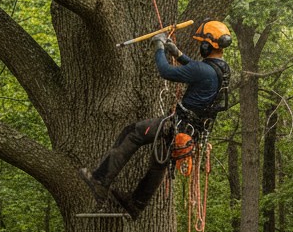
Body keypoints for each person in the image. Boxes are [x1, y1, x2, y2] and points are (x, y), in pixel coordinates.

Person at [79, 20, 231, 219]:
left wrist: (159, 47)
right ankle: (136, 205)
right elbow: (197, 69)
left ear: (207, 46)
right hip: (193, 131)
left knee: (133, 132)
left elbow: (165, 71)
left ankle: (100, 181)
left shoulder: (203, 71)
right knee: (159, 162)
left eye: (202, 43)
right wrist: (177, 54)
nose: (200, 47)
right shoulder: (222, 69)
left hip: (179, 125)